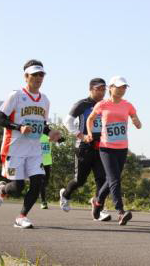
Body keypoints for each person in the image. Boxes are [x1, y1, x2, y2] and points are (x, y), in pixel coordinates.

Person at [0, 59, 61, 228]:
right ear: (26, 76)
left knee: (38, 182)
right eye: (34, 75)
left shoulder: (45, 100)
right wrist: (18, 127)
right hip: (14, 147)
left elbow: (43, 125)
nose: (38, 78)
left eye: (41, 75)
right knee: (18, 186)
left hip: (34, 149)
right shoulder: (16, 96)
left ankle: (21, 217)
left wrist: (51, 132)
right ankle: (2, 190)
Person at [86, 76, 142, 226]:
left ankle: (98, 202)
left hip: (122, 148)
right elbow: (90, 119)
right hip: (106, 147)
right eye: (119, 87)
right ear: (111, 88)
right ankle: (121, 212)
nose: (122, 90)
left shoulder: (127, 105)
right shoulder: (102, 104)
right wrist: (90, 133)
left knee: (112, 179)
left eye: (124, 87)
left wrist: (136, 121)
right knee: (115, 180)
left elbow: (136, 119)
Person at [60, 78, 111, 221]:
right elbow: (67, 121)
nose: (101, 92)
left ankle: (99, 208)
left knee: (102, 179)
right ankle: (65, 194)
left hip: (101, 146)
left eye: (103, 89)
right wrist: (81, 136)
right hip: (84, 147)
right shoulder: (83, 104)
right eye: (98, 89)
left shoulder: (106, 105)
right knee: (80, 180)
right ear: (91, 89)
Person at [39, 133, 52, 209]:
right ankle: (43, 201)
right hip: (39, 162)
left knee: (46, 182)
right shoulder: (37, 137)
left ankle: (38, 190)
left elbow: (55, 138)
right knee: (42, 183)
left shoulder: (49, 136)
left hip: (48, 162)